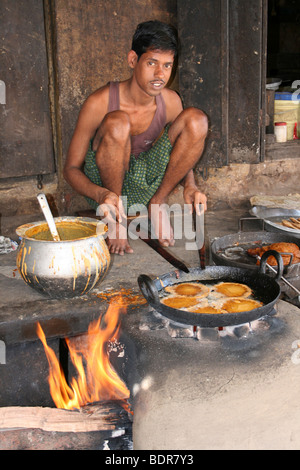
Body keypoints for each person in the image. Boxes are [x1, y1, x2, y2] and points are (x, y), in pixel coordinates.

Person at [64, 20, 208, 255]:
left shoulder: (170, 101)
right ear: (133, 60)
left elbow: (180, 149)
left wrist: (190, 186)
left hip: (148, 186)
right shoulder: (98, 102)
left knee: (197, 120)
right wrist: (102, 195)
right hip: (106, 190)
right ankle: (116, 218)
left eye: (167, 65)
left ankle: (157, 204)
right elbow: (70, 168)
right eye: (151, 63)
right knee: (118, 122)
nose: (160, 74)